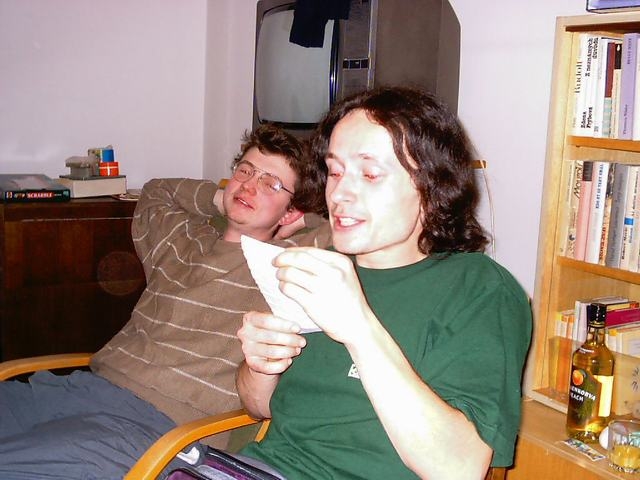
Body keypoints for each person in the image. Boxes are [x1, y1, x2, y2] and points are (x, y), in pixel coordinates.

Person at [233, 87, 532, 480]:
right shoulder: (324, 270)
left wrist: (359, 328)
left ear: (431, 188)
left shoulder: (480, 289)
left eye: (370, 174)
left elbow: (460, 469)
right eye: (335, 171)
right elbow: (259, 407)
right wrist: (260, 366)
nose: (339, 193)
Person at [0, 124, 331, 480]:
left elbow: (349, 227)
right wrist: (222, 197)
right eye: (245, 171)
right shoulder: (183, 239)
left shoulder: (283, 263)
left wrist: (302, 217)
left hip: (153, 427)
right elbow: (157, 192)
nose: (249, 185)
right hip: (81, 390)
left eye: (271, 183)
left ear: (289, 212)